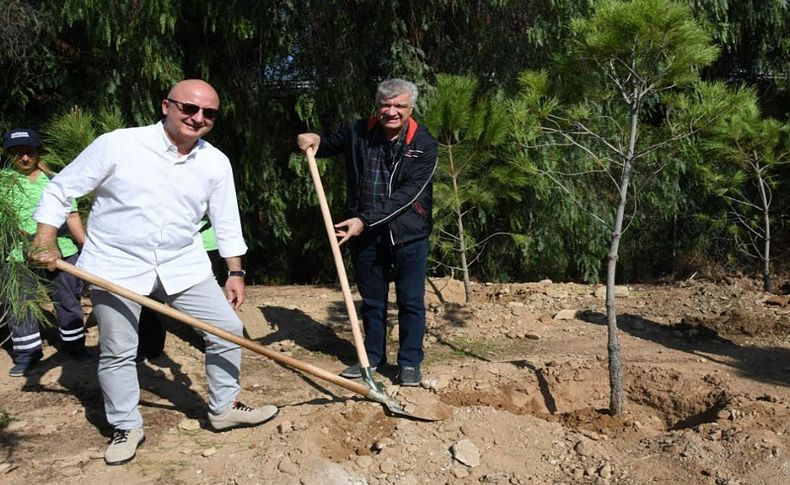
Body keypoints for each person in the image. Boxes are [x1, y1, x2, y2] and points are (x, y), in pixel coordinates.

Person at [29, 79, 277, 466]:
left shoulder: (215, 161)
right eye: (189, 109)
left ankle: (224, 407)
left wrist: (235, 271)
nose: (198, 118)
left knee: (227, 331)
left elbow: (226, 220)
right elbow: (62, 189)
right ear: (166, 106)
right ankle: (126, 424)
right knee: (118, 351)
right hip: (116, 264)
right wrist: (45, 236)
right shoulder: (119, 144)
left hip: (183, 264)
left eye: (208, 113)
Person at [297, 78, 438, 387]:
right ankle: (372, 356)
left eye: (399, 105)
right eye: (385, 104)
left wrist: (363, 220)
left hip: (407, 234)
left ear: (410, 108)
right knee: (372, 301)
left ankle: (410, 361)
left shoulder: (424, 144)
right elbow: (327, 144)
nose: (391, 111)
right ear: (378, 106)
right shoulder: (358, 132)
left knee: (410, 301)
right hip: (367, 236)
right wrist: (313, 138)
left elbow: (408, 195)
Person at [1, 128, 88, 377]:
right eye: (18, 154)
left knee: (68, 299)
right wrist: (27, 240)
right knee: (20, 303)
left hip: (62, 251)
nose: (25, 158)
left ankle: (74, 345)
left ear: (38, 152)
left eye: (29, 152)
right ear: (9, 155)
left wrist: (85, 244)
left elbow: (71, 214)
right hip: (18, 254)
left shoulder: (55, 180)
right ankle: (27, 353)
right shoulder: (2, 182)